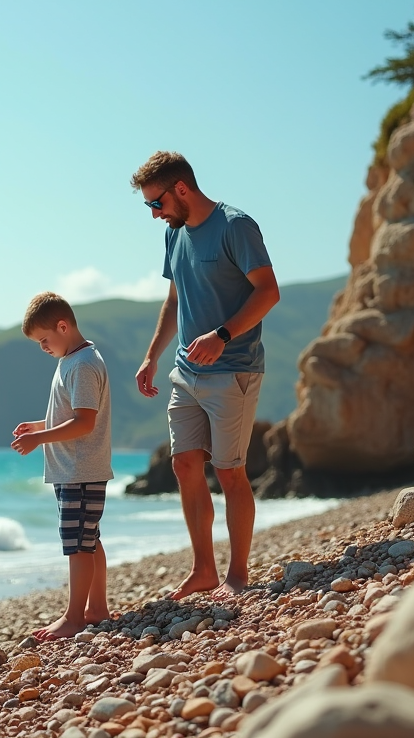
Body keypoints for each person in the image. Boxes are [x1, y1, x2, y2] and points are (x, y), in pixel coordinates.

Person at [130, 150, 280, 600]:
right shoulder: (174, 237)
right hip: (184, 371)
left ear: (181, 189)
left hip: (234, 369)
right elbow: (174, 303)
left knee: (230, 472)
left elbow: (268, 292)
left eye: (156, 203)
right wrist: (152, 355)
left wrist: (223, 334)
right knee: (183, 464)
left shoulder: (236, 226)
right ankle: (203, 570)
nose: (154, 214)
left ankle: (238, 575)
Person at [11, 292, 113, 640]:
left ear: (63, 326)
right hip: (72, 469)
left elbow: (85, 423)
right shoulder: (71, 360)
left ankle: (74, 617)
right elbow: (70, 414)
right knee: (88, 539)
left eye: (44, 340)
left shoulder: (83, 364)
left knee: (78, 544)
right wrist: (40, 426)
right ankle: (96, 607)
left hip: (80, 470)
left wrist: (40, 440)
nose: (42, 347)